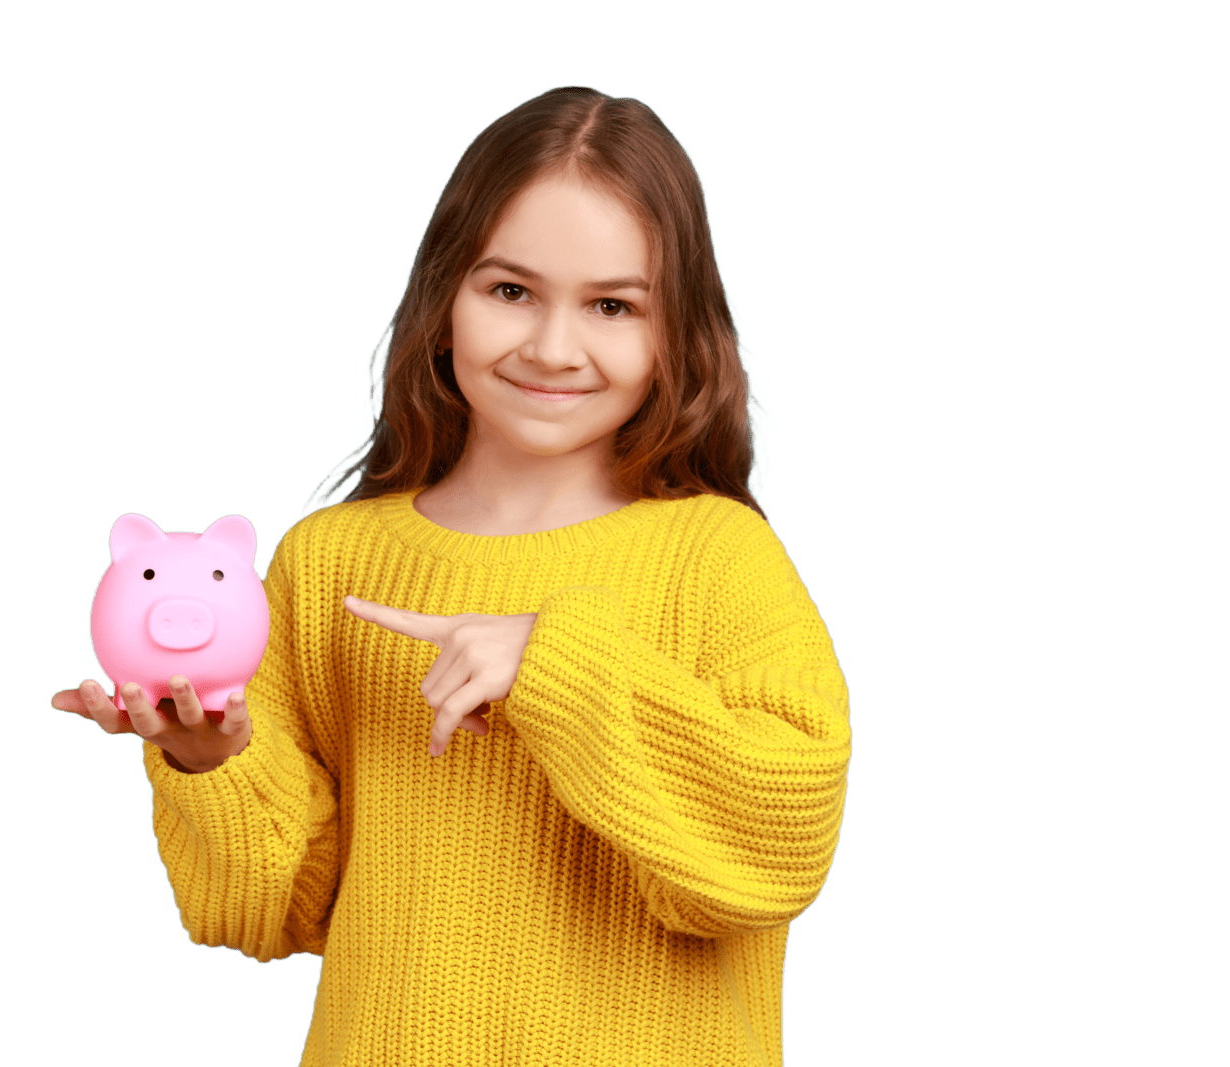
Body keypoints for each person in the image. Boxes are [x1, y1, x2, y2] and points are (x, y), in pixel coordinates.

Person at [52, 85, 852, 1067]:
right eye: (509, 291)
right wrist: (209, 761)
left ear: (673, 335)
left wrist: (551, 663)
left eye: (611, 305)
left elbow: (776, 846)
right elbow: (276, 910)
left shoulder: (716, 555)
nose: (552, 348)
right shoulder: (328, 563)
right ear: (443, 300)